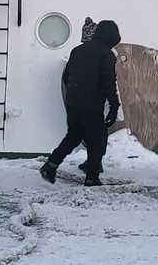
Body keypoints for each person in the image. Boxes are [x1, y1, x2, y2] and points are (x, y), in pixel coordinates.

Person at [40, 19, 121, 186]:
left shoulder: (77, 50)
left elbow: (66, 76)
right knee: (96, 139)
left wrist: (75, 92)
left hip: (73, 102)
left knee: (73, 136)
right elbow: (109, 83)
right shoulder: (106, 55)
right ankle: (92, 177)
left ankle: (51, 165)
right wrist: (114, 107)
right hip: (92, 104)